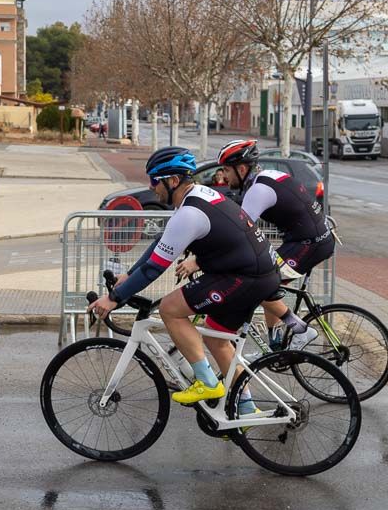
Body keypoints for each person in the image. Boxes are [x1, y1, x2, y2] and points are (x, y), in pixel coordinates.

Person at [88, 146, 280, 410]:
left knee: (170, 309)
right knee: (215, 338)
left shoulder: (190, 213)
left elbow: (154, 269)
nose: (152, 187)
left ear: (173, 181)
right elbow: (160, 244)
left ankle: (208, 383)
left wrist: (113, 299)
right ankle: (246, 410)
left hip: (246, 277)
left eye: (155, 181)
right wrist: (128, 276)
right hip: (256, 273)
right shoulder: (195, 197)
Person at [179, 139, 333, 350]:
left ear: (241, 168)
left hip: (308, 244)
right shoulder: (267, 177)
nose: (223, 176)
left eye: (226, 170)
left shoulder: (258, 190)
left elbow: (239, 233)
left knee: (259, 281)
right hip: (307, 239)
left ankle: (301, 329)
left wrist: (197, 261)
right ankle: (275, 342)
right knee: (265, 280)